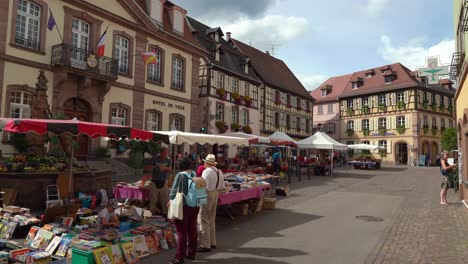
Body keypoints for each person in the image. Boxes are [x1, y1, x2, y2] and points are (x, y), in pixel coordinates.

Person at [168, 157, 200, 264]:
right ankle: (192, 252)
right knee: (192, 229)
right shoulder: (194, 174)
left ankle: (179, 258)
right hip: (195, 205)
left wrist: (170, 201)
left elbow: (173, 192)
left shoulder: (180, 175)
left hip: (183, 206)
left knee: (181, 232)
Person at [198, 154, 225, 252]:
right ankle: (213, 242)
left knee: (204, 218)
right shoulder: (219, 171)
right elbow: (222, 187)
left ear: (207, 163)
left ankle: (205, 244)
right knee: (212, 219)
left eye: (204, 162)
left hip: (207, 194)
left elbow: (202, 186)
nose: (204, 163)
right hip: (216, 193)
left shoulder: (206, 171)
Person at [150, 147, 171, 215]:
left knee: (165, 199)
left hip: (163, 181)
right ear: (161, 152)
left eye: (166, 153)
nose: (165, 154)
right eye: (164, 153)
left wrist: (165, 168)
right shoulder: (155, 158)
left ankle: (165, 212)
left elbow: (170, 169)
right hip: (154, 181)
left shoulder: (168, 160)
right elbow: (148, 167)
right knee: (153, 199)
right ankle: (152, 212)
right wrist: (157, 168)